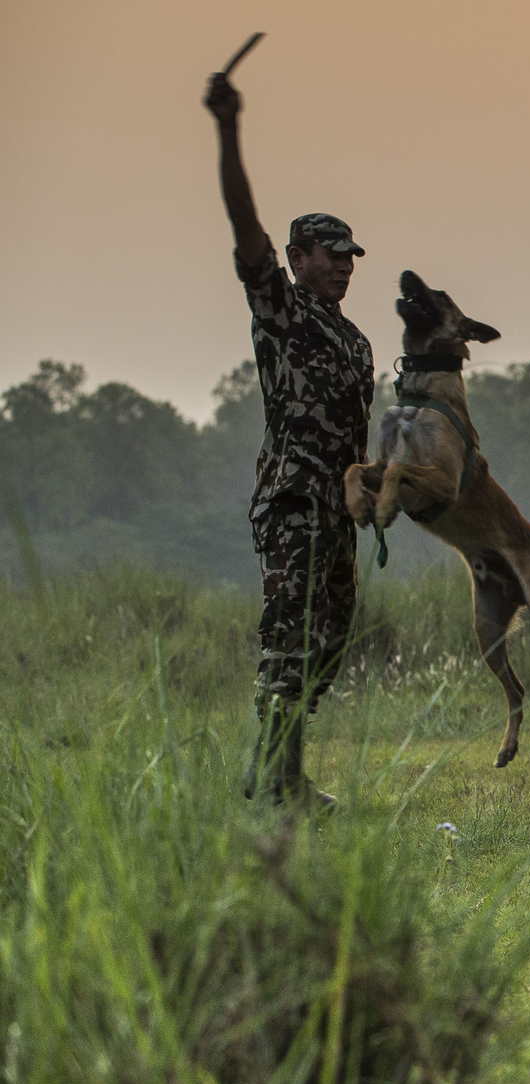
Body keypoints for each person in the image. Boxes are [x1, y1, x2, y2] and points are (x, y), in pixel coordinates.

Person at [205, 69, 375, 806]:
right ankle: (271, 783)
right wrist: (228, 129)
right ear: (297, 257)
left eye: (347, 255)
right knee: (287, 639)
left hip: (339, 512)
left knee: (328, 641)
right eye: (327, 252)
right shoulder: (280, 310)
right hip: (293, 504)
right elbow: (243, 222)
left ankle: (282, 774)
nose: (340, 264)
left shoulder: (359, 342)